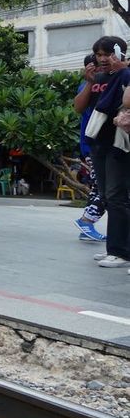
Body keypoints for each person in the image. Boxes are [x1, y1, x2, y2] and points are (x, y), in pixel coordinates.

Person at [79, 36, 130, 268]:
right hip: (98, 143)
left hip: (118, 143)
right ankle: (115, 247)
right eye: (98, 55)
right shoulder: (97, 79)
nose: (102, 59)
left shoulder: (126, 75)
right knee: (108, 197)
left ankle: (121, 251)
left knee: (116, 195)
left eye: (107, 54)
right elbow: (79, 107)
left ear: (119, 53)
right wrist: (89, 83)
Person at [72, 53, 108, 241]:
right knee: (104, 188)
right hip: (93, 145)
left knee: (100, 187)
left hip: (94, 145)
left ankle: (87, 224)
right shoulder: (90, 87)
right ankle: (86, 220)